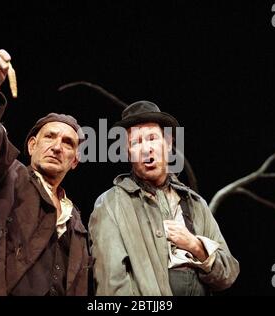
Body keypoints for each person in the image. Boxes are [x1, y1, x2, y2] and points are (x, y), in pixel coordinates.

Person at [0, 49, 89, 296]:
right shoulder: (7, 176)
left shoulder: (76, 221)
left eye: (68, 143)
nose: (57, 147)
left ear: (75, 161)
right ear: (32, 146)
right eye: (49, 137)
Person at [89, 101, 240, 295]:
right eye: (136, 143)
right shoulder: (110, 204)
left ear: (168, 143)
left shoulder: (195, 204)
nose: (146, 149)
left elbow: (228, 273)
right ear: (128, 153)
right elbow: (111, 283)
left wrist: (194, 245)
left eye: (152, 138)